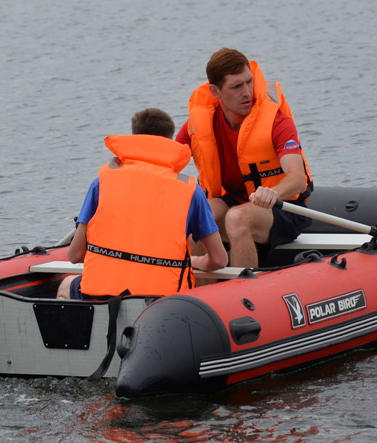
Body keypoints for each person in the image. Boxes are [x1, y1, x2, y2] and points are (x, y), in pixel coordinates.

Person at [58, 108, 227, 300]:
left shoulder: (103, 182)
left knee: (65, 287)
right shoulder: (190, 190)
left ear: (134, 138)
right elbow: (219, 259)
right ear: (169, 141)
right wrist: (196, 261)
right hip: (162, 303)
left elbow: (75, 254)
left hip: (103, 296)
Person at [176, 48, 313, 269]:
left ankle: (243, 297)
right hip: (236, 201)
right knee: (200, 213)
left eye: (249, 82)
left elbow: (297, 178)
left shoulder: (277, 121)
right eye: (237, 86)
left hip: (284, 207)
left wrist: (273, 192)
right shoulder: (200, 124)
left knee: (236, 218)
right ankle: (198, 296)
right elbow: (167, 166)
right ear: (215, 91)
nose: (247, 92)